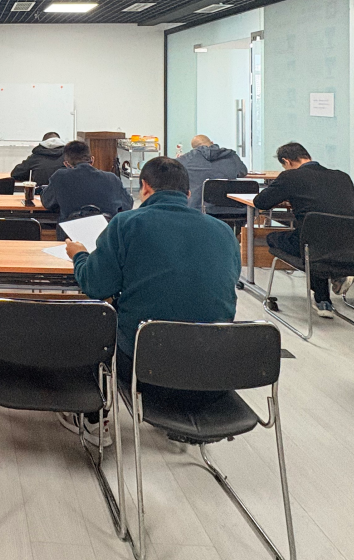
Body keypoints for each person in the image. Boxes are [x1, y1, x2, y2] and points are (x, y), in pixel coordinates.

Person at [65, 156, 240, 445]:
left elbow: (95, 286)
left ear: (144, 187)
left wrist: (79, 255)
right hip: (214, 371)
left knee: (92, 322)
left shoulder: (126, 224)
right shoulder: (223, 232)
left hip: (145, 367)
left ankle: (93, 421)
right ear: (188, 194)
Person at [253, 141, 354, 318]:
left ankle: (325, 296)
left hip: (312, 244)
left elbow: (261, 202)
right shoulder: (342, 176)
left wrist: (288, 196)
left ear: (286, 161)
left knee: (276, 239)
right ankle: (328, 290)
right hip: (347, 244)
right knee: (314, 242)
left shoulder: (290, 177)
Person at [41, 140, 132, 223]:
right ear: (92, 160)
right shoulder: (112, 179)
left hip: (70, 233)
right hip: (105, 233)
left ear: (66, 164)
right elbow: (128, 204)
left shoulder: (59, 177)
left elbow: (47, 202)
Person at [177, 134, 248, 210]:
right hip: (234, 210)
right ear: (212, 143)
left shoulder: (187, 159)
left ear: (194, 148)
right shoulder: (232, 156)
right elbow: (243, 172)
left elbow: (172, 170)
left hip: (198, 209)